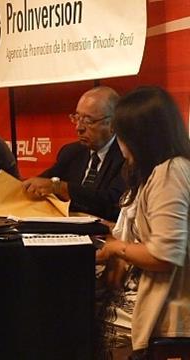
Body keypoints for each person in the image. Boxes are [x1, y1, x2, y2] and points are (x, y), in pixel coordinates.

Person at [96, 86, 190, 359]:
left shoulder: (171, 173)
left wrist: (116, 249)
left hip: (164, 315)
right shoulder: (156, 172)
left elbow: (164, 254)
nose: (119, 145)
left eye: (121, 136)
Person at [23, 86, 125, 221]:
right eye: (77, 118)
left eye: (88, 121)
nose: (79, 128)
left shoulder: (127, 155)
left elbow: (113, 202)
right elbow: (44, 181)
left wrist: (60, 188)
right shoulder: (72, 152)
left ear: (113, 123)